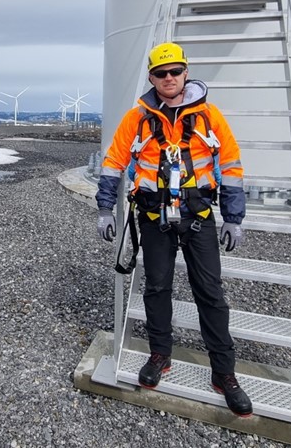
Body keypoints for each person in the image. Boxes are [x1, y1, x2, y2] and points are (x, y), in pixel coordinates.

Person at [95, 42, 252, 417]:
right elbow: (114, 161)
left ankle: (224, 373)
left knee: (210, 293)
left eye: (175, 72)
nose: (169, 78)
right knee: (157, 288)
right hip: (153, 220)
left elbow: (230, 165)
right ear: (151, 77)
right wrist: (104, 208)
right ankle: (159, 355)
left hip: (198, 218)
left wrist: (233, 217)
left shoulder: (210, 116)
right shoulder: (137, 118)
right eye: (161, 73)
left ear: (186, 73)